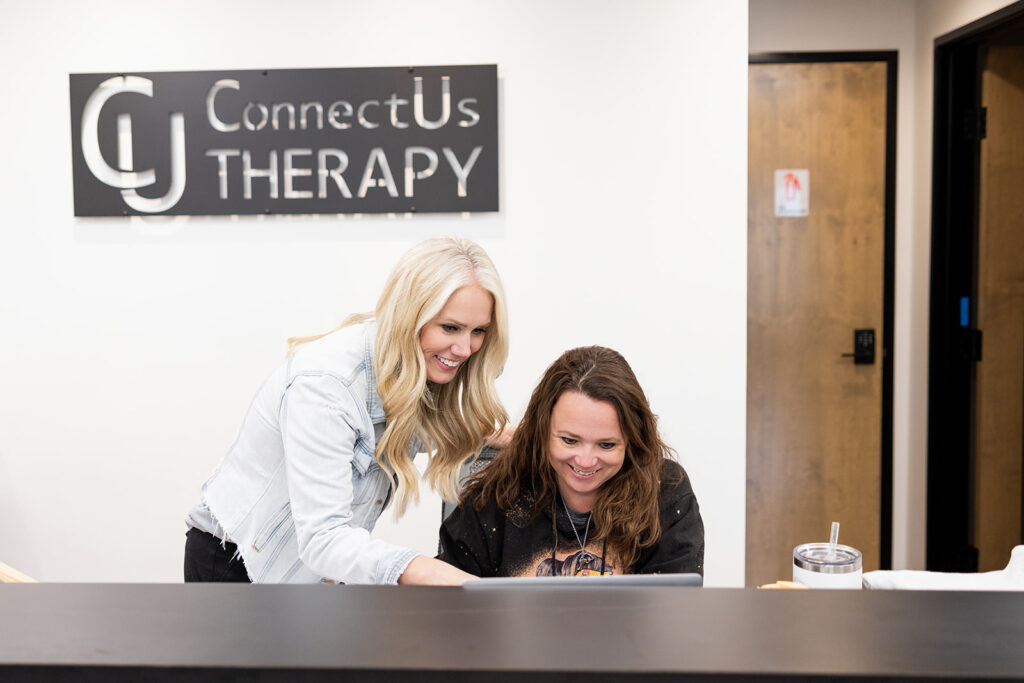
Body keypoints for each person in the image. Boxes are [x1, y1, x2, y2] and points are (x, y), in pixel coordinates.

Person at [184, 236, 509, 585]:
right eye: (450, 327)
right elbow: (324, 541)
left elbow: (428, 427)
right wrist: (428, 571)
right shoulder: (326, 387)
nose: (464, 348)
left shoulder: (410, 364)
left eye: (479, 331)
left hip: (310, 571)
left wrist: (520, 437)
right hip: (236, 565)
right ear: (409, 316)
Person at [439, 346, 704, 577]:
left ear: (632, 441)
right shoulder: (495, 497)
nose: (586, 462)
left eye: (607, 444)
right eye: (569, 440)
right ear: (541, 431)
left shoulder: (665, 491)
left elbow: (673, 610)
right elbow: (447, 604)